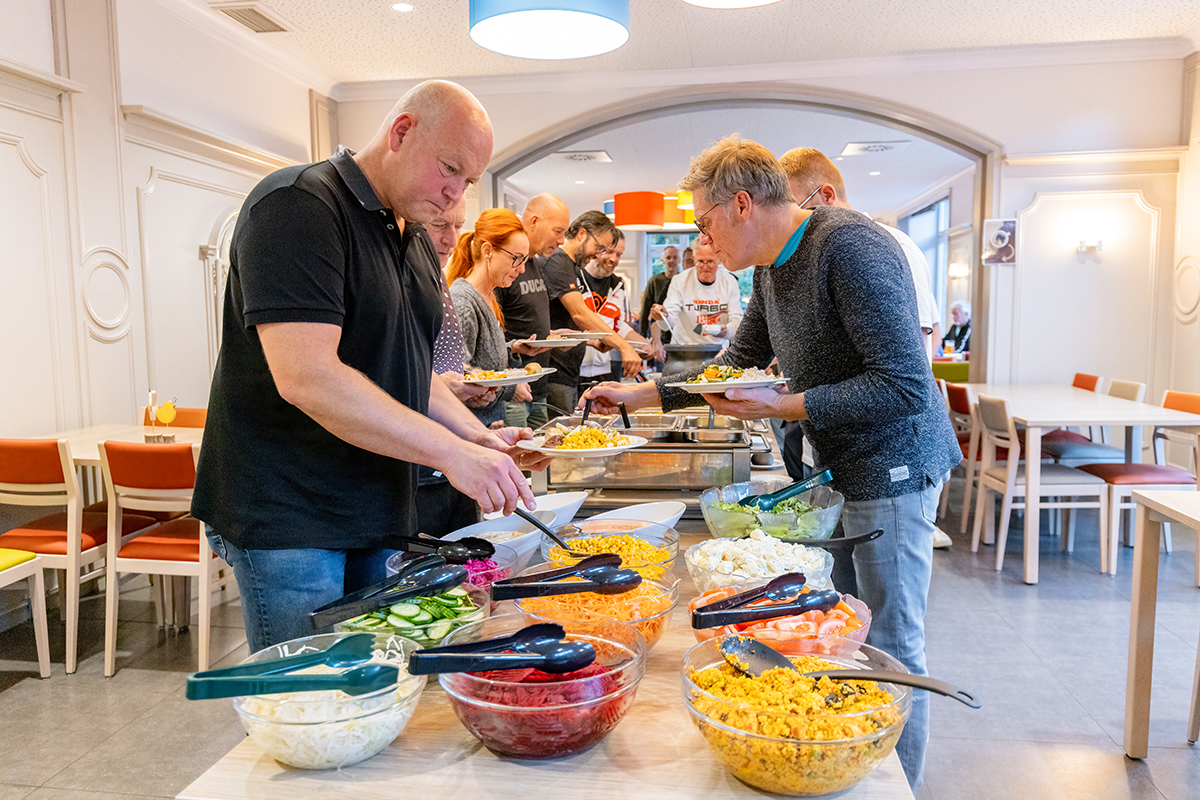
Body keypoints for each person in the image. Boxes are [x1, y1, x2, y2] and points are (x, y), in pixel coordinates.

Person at [581, 134, 960, 791]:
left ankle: (894, 784)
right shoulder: (772, 269)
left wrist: (784, 406)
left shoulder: (850, 247)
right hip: (843, 464)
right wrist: (642, 395)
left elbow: (904, 386)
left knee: (892, 644)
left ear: (742, 205)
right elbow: (734, 364)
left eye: (704, 222)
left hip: (894, 466)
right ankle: (839, 759)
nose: (702, 240)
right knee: (841, 632)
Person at [192, 80, 548, 653]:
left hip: (379, 506)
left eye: (468, 181)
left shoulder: (410, 235)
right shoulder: (297, 205)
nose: (454, 194)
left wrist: (478, 438)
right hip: (293, 513)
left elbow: (407, 366)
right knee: (311, 689)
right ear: (401, 132)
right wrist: (450, 453)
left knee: (375, 680)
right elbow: (308, 377)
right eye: (449, 168)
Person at [779, 147, 953, 549]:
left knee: (888, 588)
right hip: (840, 451)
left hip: (892, 453)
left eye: (792, 208)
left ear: (825, 196)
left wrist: (787, 403)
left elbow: (913, 357)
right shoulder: (812, 252)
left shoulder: (881, 244)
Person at [417, 197, 493, 538]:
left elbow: (435, 359)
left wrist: (465, 381)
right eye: (439, 225)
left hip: (449, 444)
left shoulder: (436, 278)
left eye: (459, 226)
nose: (452, 238)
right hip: (424, 457)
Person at [446, 208, 542, 427]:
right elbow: (456, 372)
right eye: (516, 259)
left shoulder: (489, 296)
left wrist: (512, 349)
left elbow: (482, 357)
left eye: (525, 260)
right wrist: (509, 387)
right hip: (471, 427)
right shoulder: (463, 300)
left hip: (490, 422)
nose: (522, 269)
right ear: (488, 251)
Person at [543, 210, 643, 413]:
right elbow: (580, 314)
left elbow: (561, 326)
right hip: (557, 373)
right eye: (599, 248)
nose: (598, 255)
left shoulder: (569, 265)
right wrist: (624, 346)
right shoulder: (558, 261)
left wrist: (592, 342)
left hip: (570, 370)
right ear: (582, 235)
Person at [499, 194, 571, 429]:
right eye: (557, 231)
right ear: (534, 222)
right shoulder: (506, 267)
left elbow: (523, 320)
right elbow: (489, 338)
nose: (562, 240)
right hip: (513, 392)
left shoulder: (535, 264)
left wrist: (551, 336)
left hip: (538, 387)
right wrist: (510, 384)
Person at [579, 230, 649, 386]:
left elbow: (618, 325)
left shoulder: (618, 285)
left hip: (603, 369)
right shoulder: (575, 278)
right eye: (609, 252)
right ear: (596, 249)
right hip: (571, 370)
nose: (614, 259)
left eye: (619, 254)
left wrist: (642, 343)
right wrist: (590, 341)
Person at [662, 241, 743, 348]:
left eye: (710, 262)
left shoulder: (729, 282)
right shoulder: (680, 281)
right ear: (694, 259)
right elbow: (668, 321)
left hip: (718, 350)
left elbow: (737, 321)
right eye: (700, 261)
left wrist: (727, 331)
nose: (705, 267)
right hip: (685, 349)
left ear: (719, 260)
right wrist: (663, 315)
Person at [639, 245, 679, 338]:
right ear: (663, 260)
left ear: (679, 260)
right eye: (668, 258)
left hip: (677, 332)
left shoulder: (683, 281)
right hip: (658, 333)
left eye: (675, 257)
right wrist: (643, 335)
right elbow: (645, 310)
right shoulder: (654, 281)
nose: (672, 260)